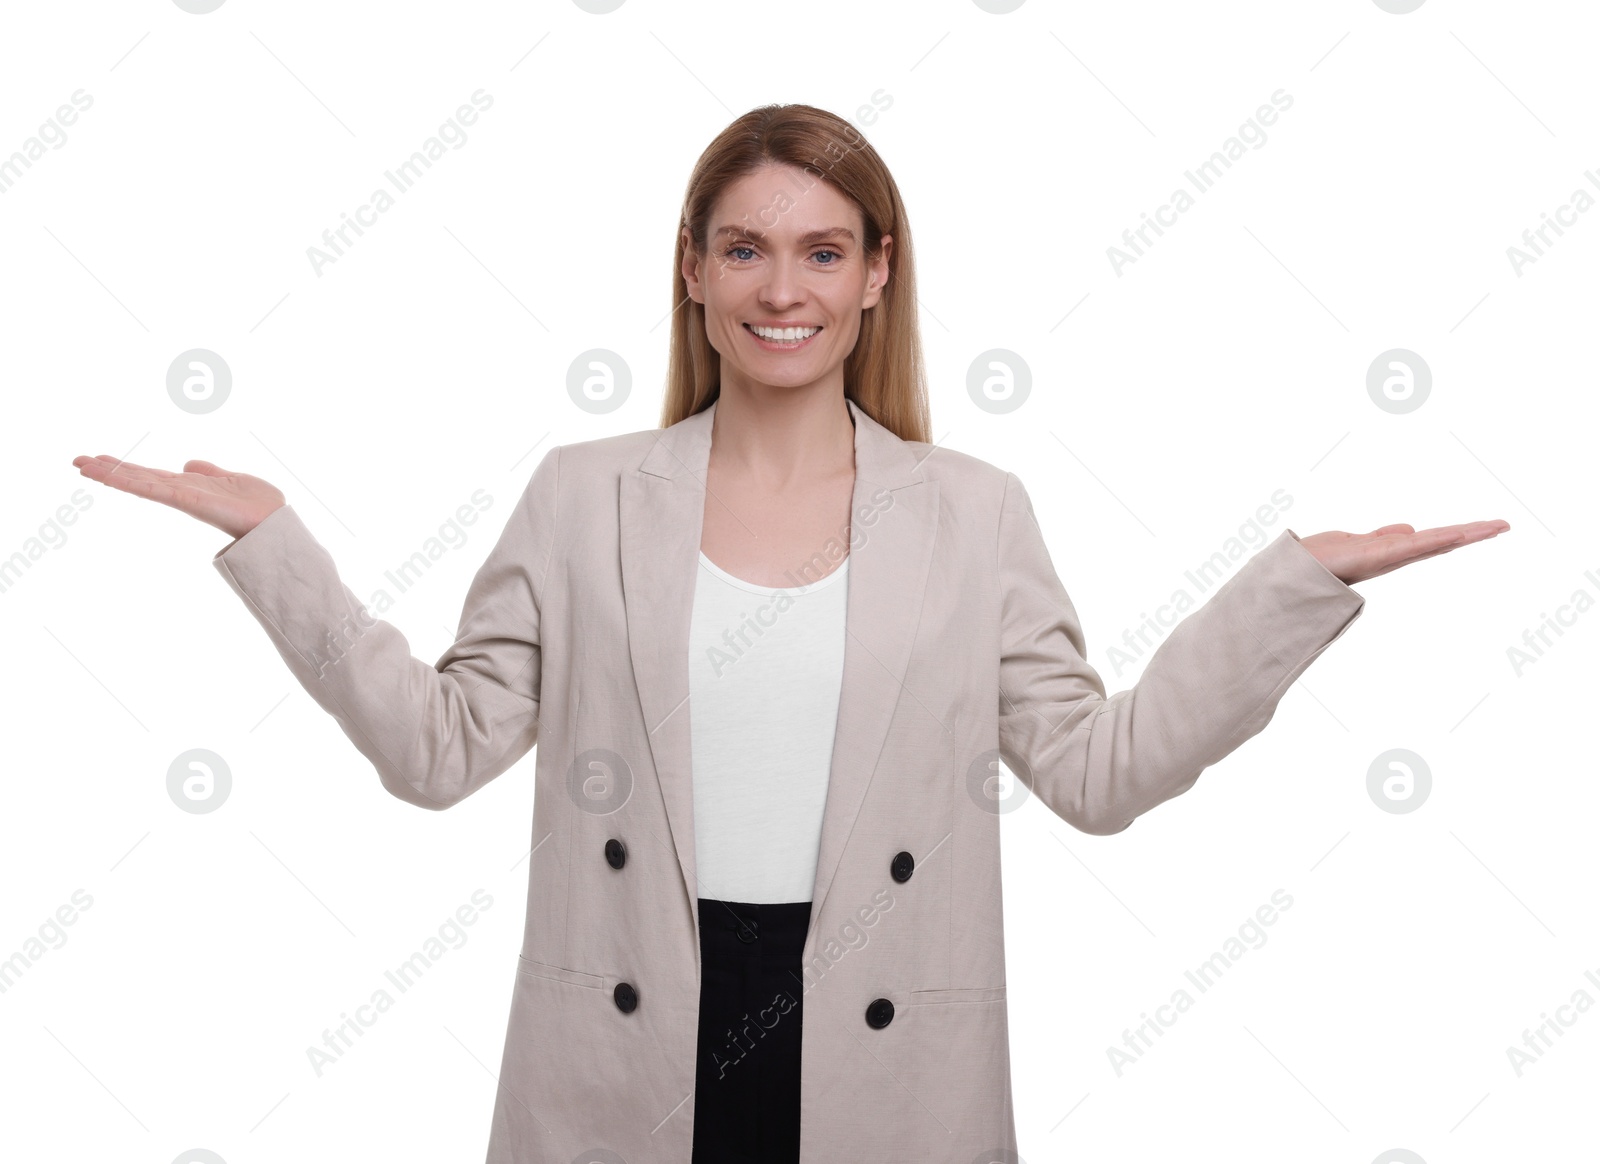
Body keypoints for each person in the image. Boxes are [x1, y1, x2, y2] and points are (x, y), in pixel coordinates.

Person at [71, 103, 1508, 1163]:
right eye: (746, 250)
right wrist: (275, 547)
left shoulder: (972, 511)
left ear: (878, 274)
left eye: (823, 252)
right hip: (624, 1048)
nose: (783, 291)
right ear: (691, 268)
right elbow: (438, 752)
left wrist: (1300, 587)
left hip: (887, 1058)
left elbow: (1097, 769)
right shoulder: (582, 499)